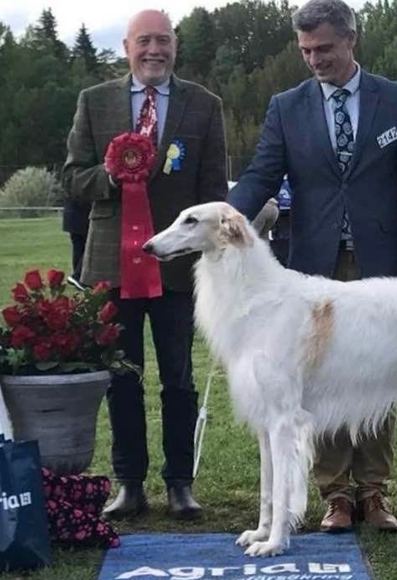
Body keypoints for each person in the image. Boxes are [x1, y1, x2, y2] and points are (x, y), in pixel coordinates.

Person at [227, 0, 397, 534]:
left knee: (379, 375)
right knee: (316, 383)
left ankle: (374, 493)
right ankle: (336, 496)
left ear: (351, 39)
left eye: (323, 48)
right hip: (312, 269)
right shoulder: (286, 106)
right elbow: (260, 174)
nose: (314, 59)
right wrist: (222, 217)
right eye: (305, 51)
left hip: (383, 268)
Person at [62, 9, 228, 520]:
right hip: (111, 266)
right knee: (121, 377)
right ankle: (129, 484)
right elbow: (72, 177)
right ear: (127, 47)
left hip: (177, 272)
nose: (154, 50)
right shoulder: (94, 102)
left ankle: (180, 484)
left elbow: (214, 195)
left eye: (163, 41)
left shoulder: (204, 106)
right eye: (144, 42)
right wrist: (113, 177)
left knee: (178, 377)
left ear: (174, 46)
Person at [62, 199, 91, 290]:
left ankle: (78, 278)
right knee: (90, 247)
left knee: (78, 247)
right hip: (84, 214)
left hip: (72, 213)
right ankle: (78, 276)